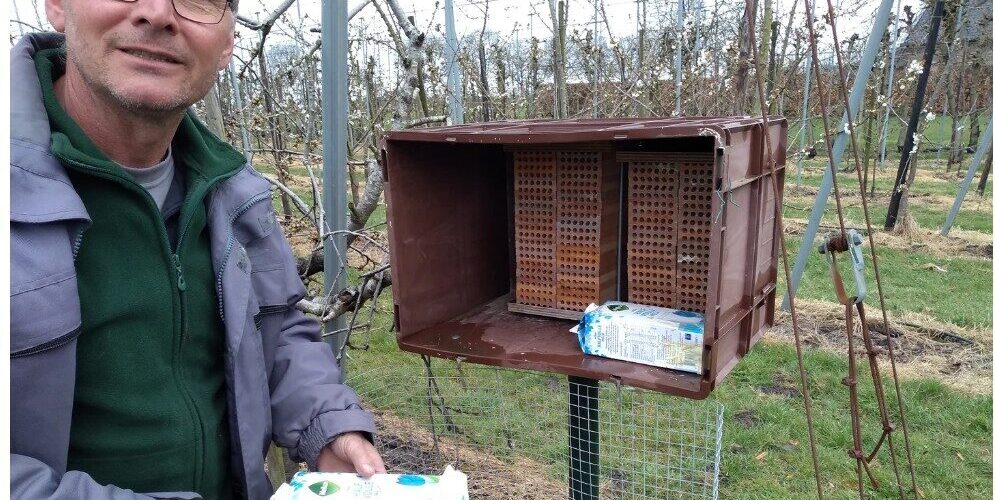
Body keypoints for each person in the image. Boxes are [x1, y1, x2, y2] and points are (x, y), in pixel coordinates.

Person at [10, 0, 385, 498]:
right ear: (57, 6)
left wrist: (329, 423)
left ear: (228, 41)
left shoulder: (231, 189)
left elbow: (277, 329)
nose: (157, 14)